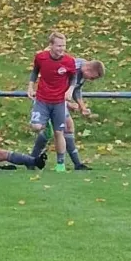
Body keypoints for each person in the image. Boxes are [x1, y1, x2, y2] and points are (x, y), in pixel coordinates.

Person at [30, 58, 105, 170]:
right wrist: (68, 104)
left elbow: (76, 89)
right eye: (93, 77)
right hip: (47, 98)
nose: (91, 80)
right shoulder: (71, 68)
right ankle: (32, 160)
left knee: (66, 128)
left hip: (59, 101)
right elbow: (56, 86)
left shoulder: (82, 72)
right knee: (55, 129)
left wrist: (82, 107)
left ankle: (76, 164)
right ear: (90, 69)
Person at [27, 32, 77, 173]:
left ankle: (60, 163)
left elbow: (73, 77)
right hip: (42, 99)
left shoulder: (69, 61)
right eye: (59, 46)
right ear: (51, 46)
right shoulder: (41, 57)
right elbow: (35, 71)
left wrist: (70, 90)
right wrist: (30, 86)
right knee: (36, 126)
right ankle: (46, 126)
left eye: (64, 46)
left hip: (59, 102)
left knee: (59, 133)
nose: (61, 49)